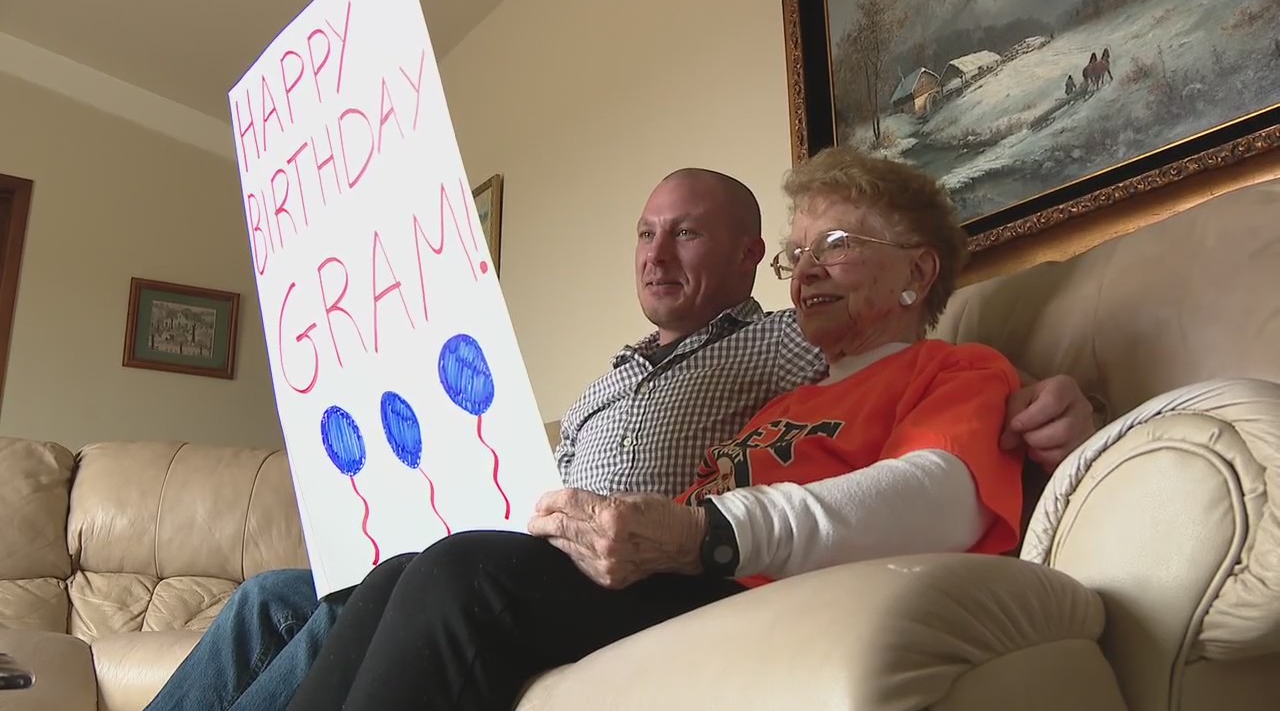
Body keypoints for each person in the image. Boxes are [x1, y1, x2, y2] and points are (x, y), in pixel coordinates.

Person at [144, 161, 1096, 711]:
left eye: (836, 247)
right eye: (800, 254)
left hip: (725, 581)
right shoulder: (781, 398)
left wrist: (709, 531)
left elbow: (938, 491)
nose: (805, 272)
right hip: (668, 574)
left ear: (917, 273)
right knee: (397, 572)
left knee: (458, 577)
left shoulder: (954, 370)